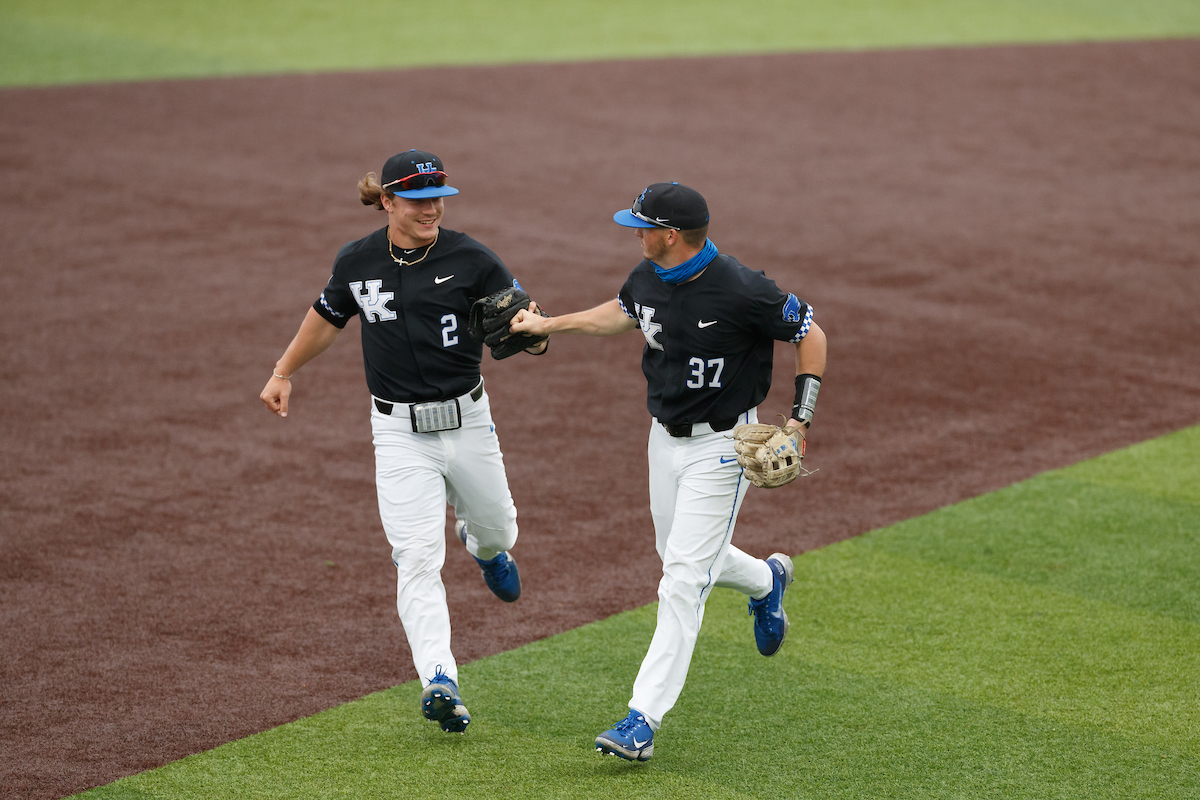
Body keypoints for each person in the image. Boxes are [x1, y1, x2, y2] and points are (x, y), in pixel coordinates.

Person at [509, 181, 827, 762]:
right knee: (680, 555)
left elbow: (811, 333)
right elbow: (624, 314)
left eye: (641, 226)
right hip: (664, 440)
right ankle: (765, 581)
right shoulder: (647, 277)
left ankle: (642, 719)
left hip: (724, 447)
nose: (633, 233)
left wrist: (800, 422)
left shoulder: (742, 289)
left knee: (682, 579)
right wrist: (549, 324)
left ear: (670, 234)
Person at [260, 149, 547, 735]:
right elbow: (327, 316)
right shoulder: (358, 261)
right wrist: (283, 369)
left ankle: (484, 547)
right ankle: (441, 679)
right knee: (416, 559)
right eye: (418, 199)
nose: (432, 208)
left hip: (467, 422)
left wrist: (534, 334)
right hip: (396, 433)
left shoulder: (473, 259)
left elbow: (525, 322)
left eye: (438, 196)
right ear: (388, 201)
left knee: (500, 529)